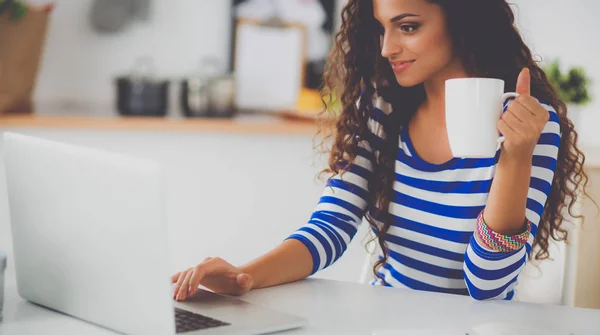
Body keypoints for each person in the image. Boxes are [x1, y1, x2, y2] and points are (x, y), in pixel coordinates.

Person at [172, 0, 588, 301]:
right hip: (385, 319)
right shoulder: (381, 109)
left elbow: (487, 285)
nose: (388, 47)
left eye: (407, 27)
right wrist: (243, 276)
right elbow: (331, 227)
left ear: (463, 22)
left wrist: (515, 157)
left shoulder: (531, 125)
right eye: (382, 28)